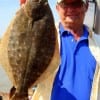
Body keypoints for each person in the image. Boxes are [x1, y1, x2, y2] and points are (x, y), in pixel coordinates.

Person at [51, 0, 100, 100]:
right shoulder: (45, 39)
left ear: (86, 6)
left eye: (76, 4)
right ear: (57, 8)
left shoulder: (98, 43)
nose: (71, 9)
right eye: (65, 4)